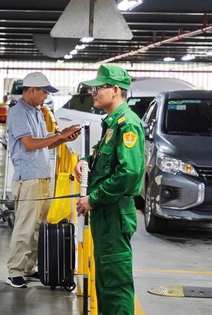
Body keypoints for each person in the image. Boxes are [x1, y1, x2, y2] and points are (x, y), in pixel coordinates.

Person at [74, 65, 144, 315]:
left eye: (98, 87)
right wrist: (83, 160)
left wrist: (93, 198)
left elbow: (129, 172)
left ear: (115, 90)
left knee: (116, 281)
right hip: (106, 211)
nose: (93, 92)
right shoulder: (112, 124)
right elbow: (101, 158)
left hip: (114, 211)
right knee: (104, 277)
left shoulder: (128, 125)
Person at [5, 72, 81, 288]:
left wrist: (63, 137)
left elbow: (44, 143)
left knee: (39, 227)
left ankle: (29, 268)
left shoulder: (37, 112)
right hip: (28, 178)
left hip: (42, 177)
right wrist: (59, 135)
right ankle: (15, 271)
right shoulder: (18, 112)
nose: (46, 96)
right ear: (31, 90)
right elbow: (29, 144)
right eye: (44, 91)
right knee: (25, 226)